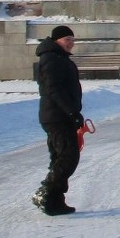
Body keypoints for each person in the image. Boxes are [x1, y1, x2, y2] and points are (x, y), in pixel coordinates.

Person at [33, 24, 85, 216]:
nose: (71, 43)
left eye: (72, 40)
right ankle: (46, 192)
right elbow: (54, 90)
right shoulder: (51, 59)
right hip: (56, 117)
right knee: (68, 157)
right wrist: (71, 112)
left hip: (60, 116)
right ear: (57, 41)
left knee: (60, 158)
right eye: (67, 40)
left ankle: (54, 201)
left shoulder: (58, 57)